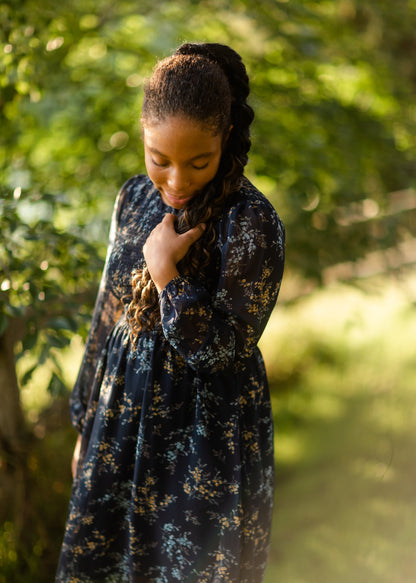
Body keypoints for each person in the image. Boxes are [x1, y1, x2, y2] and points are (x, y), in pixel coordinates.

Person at [56, 42, 285, 583]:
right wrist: (86, 424)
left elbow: (224, 355)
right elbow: (107, 315)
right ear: (143, 137)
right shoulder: (134, 198)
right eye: (159, 160)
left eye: (198, 162)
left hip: (205, 447)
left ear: (225, 137)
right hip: (121, 429)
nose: (177, 181)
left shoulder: (253, 224)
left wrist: (166, 277)